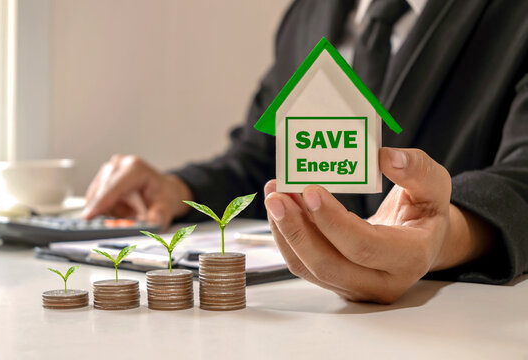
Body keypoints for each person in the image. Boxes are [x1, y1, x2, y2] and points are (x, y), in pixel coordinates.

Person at [82, 0, 528, 303]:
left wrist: (446, 231)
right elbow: (264, 159)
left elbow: (523, 173)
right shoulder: (309, 12)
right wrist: (178, 186)